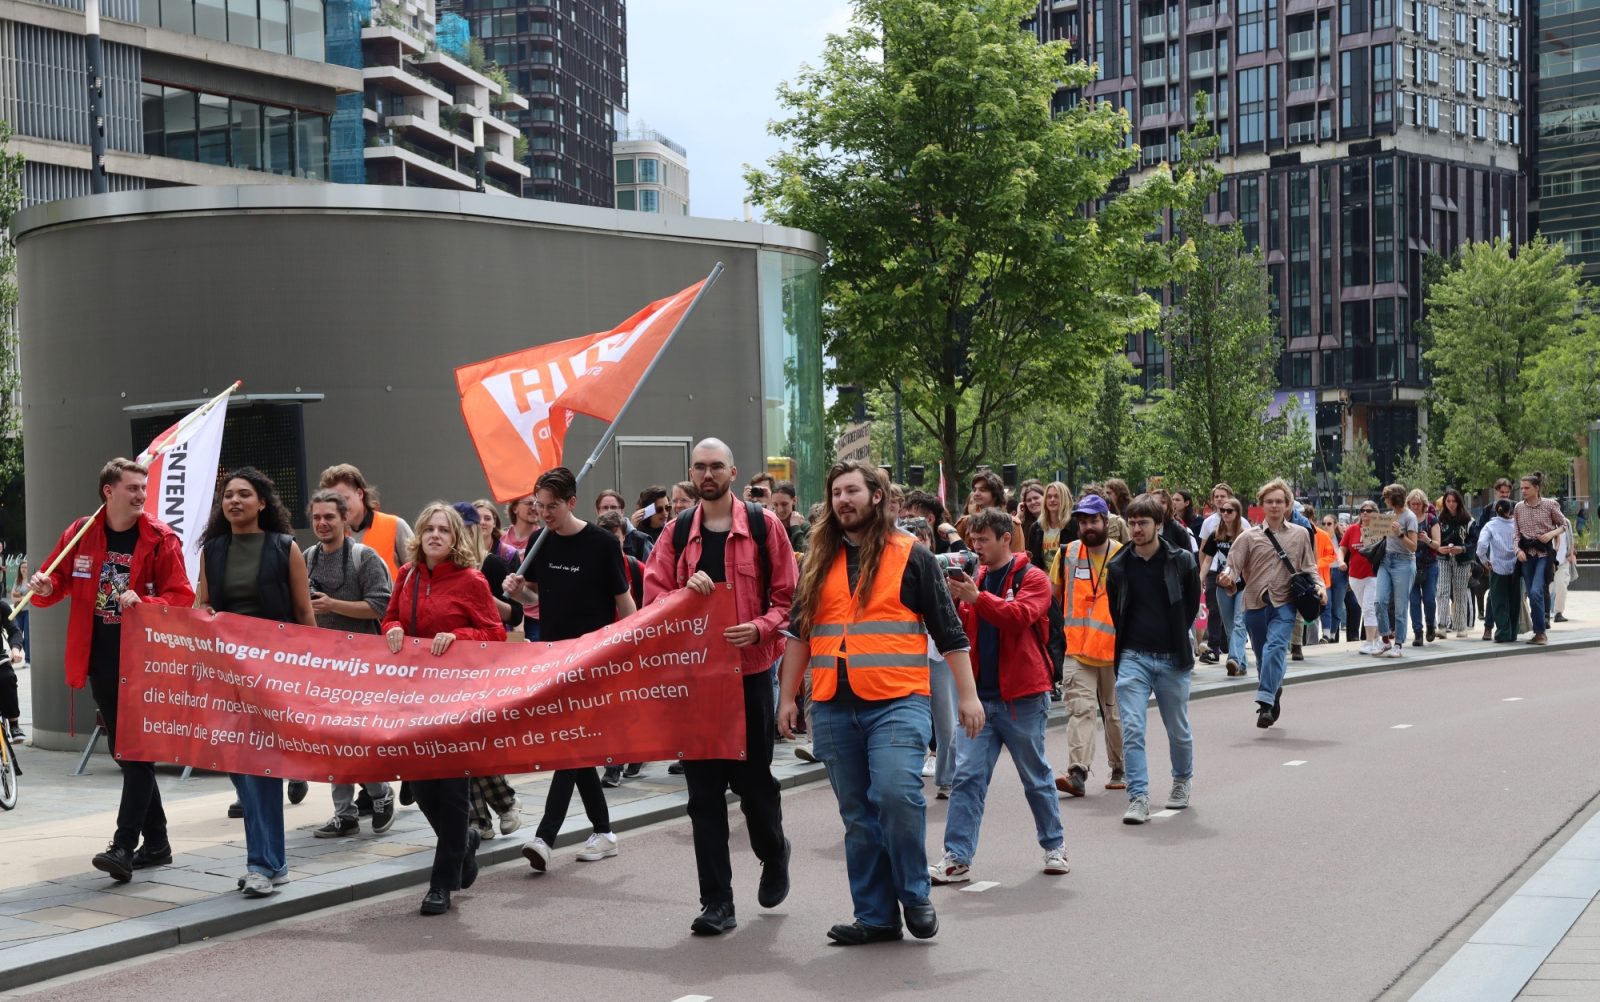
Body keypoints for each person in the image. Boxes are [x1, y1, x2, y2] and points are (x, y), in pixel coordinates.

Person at [776, 461, 983, 946]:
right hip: (831, 703)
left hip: (897, 699)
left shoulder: (912, 555)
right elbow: (799, 634)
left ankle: (914, 893)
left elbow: (949, 631)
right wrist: (787, 696)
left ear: (876, 496)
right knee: (858, 816)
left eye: (852, 491)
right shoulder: (818, 559)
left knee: (895, 796)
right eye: (836, 493)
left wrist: (968, 695)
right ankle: (875, 917)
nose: (842, 500)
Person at [642, 438, 798, 937]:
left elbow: (789, 601)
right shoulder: (674, 534)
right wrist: (681, 596)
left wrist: (761, 627)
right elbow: (652, 603)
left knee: (753, 785)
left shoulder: (763, 526)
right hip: (696, 684)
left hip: (749, 675)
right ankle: (717, 902)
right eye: (699, 467)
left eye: (716, 467)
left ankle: (774, 850)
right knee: (703, 796)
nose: (707, 475)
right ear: (691, 473)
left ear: (733, 472)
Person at [31, 459, 195, 882]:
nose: (142, 495)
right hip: (100, 661)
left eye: (143, 487)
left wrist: (146, 602)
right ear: (109, 491)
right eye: (133, 488)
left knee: (134, 752)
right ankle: (157, 843)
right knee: (127, 751)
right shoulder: (81, 532)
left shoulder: (160, 539)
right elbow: (55, 582)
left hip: (144, 662)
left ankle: (123, 846)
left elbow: (181, 597)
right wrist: (46, 587)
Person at [504, 467, 633, 873]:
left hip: (593, 660)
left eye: (552, 506)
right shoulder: (539, 542)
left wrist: (632, 652)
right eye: (539, 506)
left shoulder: (601, 544)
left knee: (569, 746)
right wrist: (517, 592)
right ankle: (604, 832)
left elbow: (625, 603)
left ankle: (545, 837)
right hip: (553, 658)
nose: (544, 514)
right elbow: (534, 599)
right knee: (575, 748)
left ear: (572, 503)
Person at [197, 467, 317, 897]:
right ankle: (272, 862)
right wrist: (206, 619)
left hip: (273, 675)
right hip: (227, 674)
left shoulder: (285, 548)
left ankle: (263, 864)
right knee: (240, 767)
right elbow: (203, 603)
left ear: (262, 503)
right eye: (228, 495)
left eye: (244, 494)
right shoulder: (212, 550)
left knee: (260, 766)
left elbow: (303, 614)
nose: (234, 501)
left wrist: (310, 672)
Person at [930, 507, 1067, 883]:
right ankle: (957, 856)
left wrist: (977, 599)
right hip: (980, 699)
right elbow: (960, 631)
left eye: (984, 540)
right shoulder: (974, 578)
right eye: (973, 540)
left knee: (1035, 776)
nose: (976, 547)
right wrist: (951, 601)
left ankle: (1054, 845)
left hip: (1023, 697)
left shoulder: (1033, 577)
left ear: (1006, 538)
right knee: (967, 777)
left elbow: (1019, 617)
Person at [382, 503, 505, 914]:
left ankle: (441, 885)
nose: (435, 535)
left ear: (455, 539)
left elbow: (495, 633)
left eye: (444, 530)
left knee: (452, 791)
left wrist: (458, 635)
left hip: (457, 700)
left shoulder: (471, 580)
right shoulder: (407, 575)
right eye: (430, 529)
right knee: (421, 788)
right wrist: (393, 628)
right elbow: (389, 619)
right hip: (414, 699)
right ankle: (464, 842)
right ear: (420, 534)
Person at [303, 489, 397, 839]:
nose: (322, 523)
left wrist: (333, 605)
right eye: (316, 517)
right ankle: (344, 814)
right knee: (332, 740)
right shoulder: (306, 557)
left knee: (358, 737)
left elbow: (381, 606)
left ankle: (380, 793)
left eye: (329, 517)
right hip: (322, 666)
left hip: (362, 666)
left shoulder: (364, 557)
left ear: (345, 519)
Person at [1106, 493, 1201, 825]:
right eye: (1131, 523)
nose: (1136, 529)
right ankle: (1138, 797)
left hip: (1173, 657)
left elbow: (1190, 606)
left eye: (1143, 523)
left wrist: (1175, 636)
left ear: (1158, 525)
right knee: (1132, 728)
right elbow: (1116, 610)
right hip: (1133, 656)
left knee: (1178, 729)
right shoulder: (1118, 566)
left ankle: (1182, 780)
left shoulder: (1181, 561)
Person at [1218, 479, 1323, 728]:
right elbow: (1232, 565)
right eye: (1269, 502)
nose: (1274, 506)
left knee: (1275, 648)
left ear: (1287, 505)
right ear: (1262, 505)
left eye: (1279, 501)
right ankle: (1274, 691)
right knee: (1263, 656)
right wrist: (1227, 577)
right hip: (1254, 603)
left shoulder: (1300, 534)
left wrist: (1320, 586)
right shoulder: (1247, 537)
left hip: (1285, 602)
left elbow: (1310, 567)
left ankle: (1264, 702)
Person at [453, 502, 525, 838]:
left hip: (484, 662)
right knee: (459, 743)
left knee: (474, 740)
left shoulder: (491, 564)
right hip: (450, 666)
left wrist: (477, 593)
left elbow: (515, 613)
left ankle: (504, 803)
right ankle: (479, 819)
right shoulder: (441, 568)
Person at [1051, 493, 1126, 797]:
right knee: (1080, 710)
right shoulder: (1067, 553)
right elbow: (1052, 597)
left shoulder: (1124, 555)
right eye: (1083, 521)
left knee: (1114, 715)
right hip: (1077, 650)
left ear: (1106, 521)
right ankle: (1077, 773)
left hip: (1114, 651)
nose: (1088, 526)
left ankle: (1120, 767)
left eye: (1093, 520)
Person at [596, 509, 646, 788]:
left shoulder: (636, 568)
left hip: (632, 648)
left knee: (627, 705)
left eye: (615, 538)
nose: (610, 544)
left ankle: (624, 759)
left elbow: (653, 604)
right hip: (601, 648)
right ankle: (619, 759)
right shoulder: (592, 569)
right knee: (610, 707)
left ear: (624, 538)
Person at [318, 464, 414, 581]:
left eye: (343, 499)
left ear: (360, 494)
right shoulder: (334, 536)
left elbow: (420, 575)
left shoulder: (395, 525)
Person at [1200, 491, 1252, 677]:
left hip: (1243, 585)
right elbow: (1207, 560)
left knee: (1239, 623)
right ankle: (1241, 665)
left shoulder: (1246, 535)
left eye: (1229, 511)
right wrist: (1200, 579)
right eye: (1223, 511)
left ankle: (1234, 659)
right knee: (1230, 626)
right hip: (1222, 584)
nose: (1225, 513)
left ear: (1237, 513)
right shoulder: (1216, 534)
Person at [1514, 473, 1567, 646]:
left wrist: (1551, 534)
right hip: (1526, 555)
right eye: (1522, 488)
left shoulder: (1550, 504)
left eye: (1527, 488)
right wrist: (1517, 551)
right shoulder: (1518, 508)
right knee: (1531, 593)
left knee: (1536, 591)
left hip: (1544, 554)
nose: (1523, 491)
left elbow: (1564, 525)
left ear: (1536, 488)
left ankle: (1541, 633)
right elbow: (1516, 534)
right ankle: (1538, 632)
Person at [1476, 498, 1521, 643]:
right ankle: (1513, 632)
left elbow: (1481, 545)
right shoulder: (1516, 524)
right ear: (1511, 510)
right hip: (1515, 567)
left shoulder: (1490, 525)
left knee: (1499, 602)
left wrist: (1484, 561)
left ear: (1496, 510)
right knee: (1514, 601)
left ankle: (1503, 632)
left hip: (1497, 568)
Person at [1341, 503, 1383, 653]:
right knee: (1366, 609)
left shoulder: (1380, 529)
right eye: (1362, 510)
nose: (1365, 513)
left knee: (1369, 607)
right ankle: (1378, 639)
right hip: (1355, 576)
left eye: (1368, 511)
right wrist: (1340, 561)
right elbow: (1342, 548)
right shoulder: (1352, 529)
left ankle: (1368, 642)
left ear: (1375, 513)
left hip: (1373, 574)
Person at [1436, 488, 1475, 639]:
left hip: (1462, 559)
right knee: (1442, 591)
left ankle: (1461, 625)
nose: (1451, 504)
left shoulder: (1468, 521)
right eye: (1448, 501)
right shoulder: (1439, 520)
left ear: (1459, 502)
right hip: (1443, 558)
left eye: (1454, 501)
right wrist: (1439, 548)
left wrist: (1463, 548)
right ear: (1444, 502)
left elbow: (1474, 541)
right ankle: (1442, 625)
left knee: (1460, 592)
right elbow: (1435, 540)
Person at [1405, 490, 1442, 647]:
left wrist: (1427, 540)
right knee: (1414, 601)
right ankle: (1418, 633)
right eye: (1412, 504)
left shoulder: (1431, 519)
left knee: (1429, 598)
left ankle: (1430, 625)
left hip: (1429, 564)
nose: (1415, 507)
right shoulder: (1405, 519)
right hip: (1410, 565)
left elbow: (1437, 545)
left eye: (1418, 504)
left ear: (1423, 504)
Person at [957, 471, 1024, 551]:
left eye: (982, 490)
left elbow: (1017, 556)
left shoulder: (1012, 524)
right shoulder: (964, 523)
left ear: (995, 494)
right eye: (975, 490)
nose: (976, 493)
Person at [596, 489, 653, 563]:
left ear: (622, 511)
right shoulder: (591, 539)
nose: (609, 511)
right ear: (598, 511)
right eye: (605, 507)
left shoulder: (641, 541)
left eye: (613, 507)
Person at [1318, 511, 1349, 644]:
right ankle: (1325, 634)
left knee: (1337, 607)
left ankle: (1332, 635)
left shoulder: (1341, 538)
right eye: (1324, 523)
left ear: (1335, 525)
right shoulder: (1319, 537)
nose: (1326, 526)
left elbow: (1348, 554)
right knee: (1326, 603)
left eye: (1329, 524)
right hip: (1323, 572)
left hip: (1339, 574)